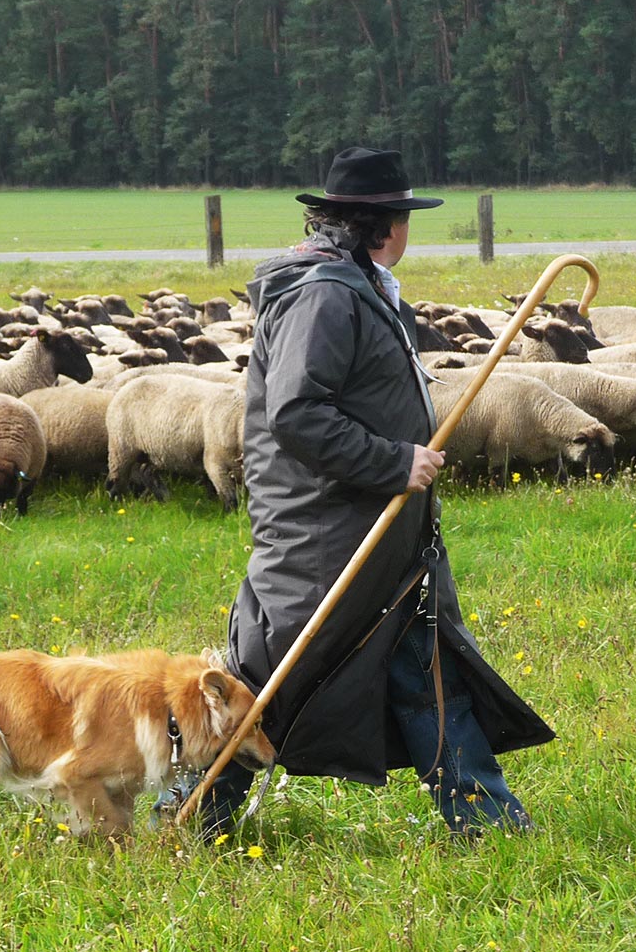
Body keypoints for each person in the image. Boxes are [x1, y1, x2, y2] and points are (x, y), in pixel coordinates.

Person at [163, 147, 555, 837]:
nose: (408, 230)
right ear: (384, 224)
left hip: (375, 536)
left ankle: (487, 822)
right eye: (403, 216)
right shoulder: (323, 295)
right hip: (327, 536)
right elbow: (296, 413)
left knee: (423, 667)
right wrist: (392, 462)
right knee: (276, 681)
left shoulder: (354, 286)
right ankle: (189, 815)